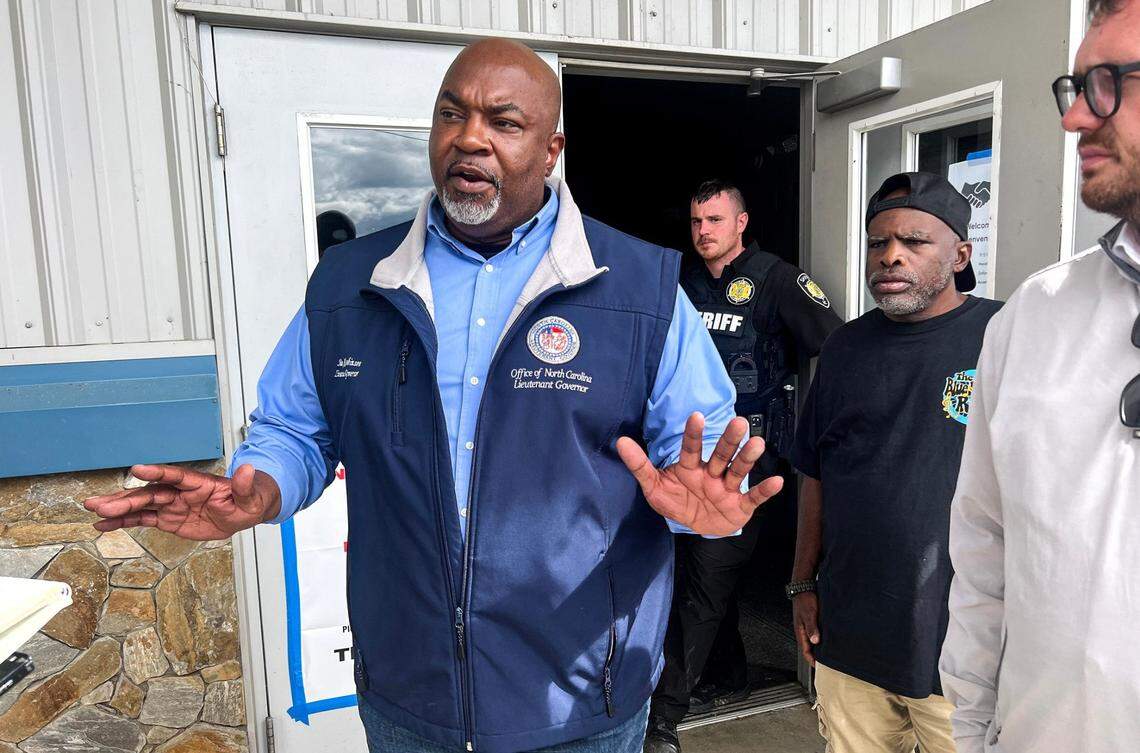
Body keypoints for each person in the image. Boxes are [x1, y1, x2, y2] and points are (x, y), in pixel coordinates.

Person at [82, 39, 785, 753]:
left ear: (551, 149)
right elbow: (296, 430)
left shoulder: (641, 290)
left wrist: (708, 513)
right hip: (407, 700)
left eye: (504, 122)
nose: (470, 137)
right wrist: (260, 488)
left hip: (581, 706)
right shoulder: (351, 284)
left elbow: (701, 457)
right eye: (452, 113)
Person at [939, 1, 1140, 750]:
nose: (1076, 118)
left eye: (1112, 81)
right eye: (1078, 85)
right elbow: (985, 551)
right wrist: (969, 732)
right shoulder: (1035, 316)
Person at [790, 172, 1002, 753]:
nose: (891, 257)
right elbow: (816, 471)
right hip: (854, 631)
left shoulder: (1005, 335)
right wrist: (801, 584)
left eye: (914, 242)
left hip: (968, 646)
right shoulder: (843, 348)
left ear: (960, 253)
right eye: (878, 243)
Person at [644, 180, 840, 753]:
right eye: (696, 221)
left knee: (706, 583)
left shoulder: (777, 280)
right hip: (683, 461)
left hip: (749, 463)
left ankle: (661, 719)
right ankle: (727, 676)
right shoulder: (681, 284)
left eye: (715, 219)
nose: (704, 230)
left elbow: (838, 343)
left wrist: (824, 431)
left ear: (742, 222)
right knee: (697, 578)